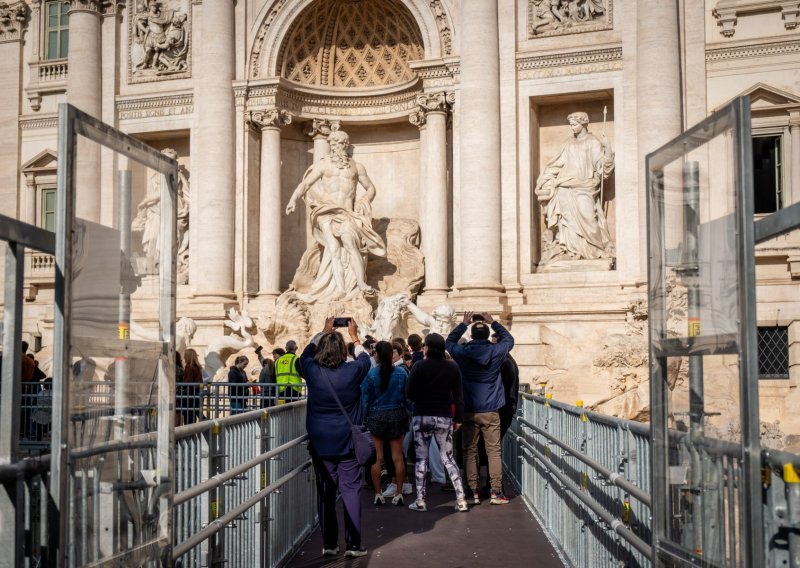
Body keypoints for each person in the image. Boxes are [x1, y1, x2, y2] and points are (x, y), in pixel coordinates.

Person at [285, 129, 386, 302]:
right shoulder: (323, 165)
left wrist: (364, 201)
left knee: (351, 245)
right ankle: (339, 289)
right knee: (333, 248)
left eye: (336, 143)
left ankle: (361, 283)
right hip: (326, 211)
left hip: (347, 213)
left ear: (345, 144)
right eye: (331, 143)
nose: (333, 147)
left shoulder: (356, 167)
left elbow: (371, 188)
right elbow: (305, 184)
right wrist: (293, 200)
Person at [302, 318, 371, 558]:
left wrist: (322, 332)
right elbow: (366, 359)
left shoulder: (311, 370)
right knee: (351, 491)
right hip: (347, 441)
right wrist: (354, 336)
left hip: (320, 441)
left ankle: (329, 544)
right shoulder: (352, 370)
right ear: (343, 351)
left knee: (325, 492)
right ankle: (353, 544)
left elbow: (305, 355)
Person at [446, 312, 514, 505]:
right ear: (486, 335)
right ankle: (495, 492)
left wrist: (463, 324)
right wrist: (493, 322)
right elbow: (509, 339)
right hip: (491, 408)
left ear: (473, 336)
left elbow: (449, 342)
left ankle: (473, 490)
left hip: (469, 408)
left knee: (469, 450)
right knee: (493, 451)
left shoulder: (461, 352)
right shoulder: (496, 351)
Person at [534, 111, 615, 262]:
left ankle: (595, 250)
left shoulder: (593, 142)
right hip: (565, 187)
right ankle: (570, 251)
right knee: (567, 221)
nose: (572, 127)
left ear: (584, 123)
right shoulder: (567, 143)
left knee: (589, 218)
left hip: (585, 187)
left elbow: (603, 169)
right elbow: (557, 164)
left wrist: (608, 149)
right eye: (570, 125)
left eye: (575, 124)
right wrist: (546, 178)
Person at [406, 333, 468, 512]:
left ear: (426, 347)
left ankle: (420, 501)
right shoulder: (452, 367)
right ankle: (461, 499)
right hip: (444, 415)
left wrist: (421, 399)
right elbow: (459, 397)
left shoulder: (419, 366)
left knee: (421, 459)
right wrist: (458, 419)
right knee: (448, 458)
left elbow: (409, 393)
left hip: (422, 415)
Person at [361, 341, 410, 506]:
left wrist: (365, 417)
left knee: (377, 458)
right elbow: (407, 397)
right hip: (397, 415)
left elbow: (365, 399)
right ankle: (398, 493)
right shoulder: (402, 373)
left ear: (377, 355)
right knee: (397, 457)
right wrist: (408, 413)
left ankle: (378, 493)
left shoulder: (371, 375)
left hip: (376, 416)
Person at [182, 349, 203, 424]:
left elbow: (189, 381)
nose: (184, 357)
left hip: (189, 395)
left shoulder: (189, 367)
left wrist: (183, 383)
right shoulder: (197, 367)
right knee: (195, 414)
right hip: (196, 393)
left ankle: (188, 435)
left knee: (188, 417)